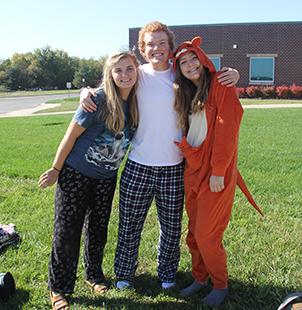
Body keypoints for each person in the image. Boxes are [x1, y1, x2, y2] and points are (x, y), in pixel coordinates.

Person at [80, 21, 240, 291]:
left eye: (161, 43)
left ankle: (167, 273)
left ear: (170, 46)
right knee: (129, 225)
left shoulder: (181, 77)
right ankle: (124, 274)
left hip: (175, 167)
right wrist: (84, 92)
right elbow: (109, 85)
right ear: (143, 49)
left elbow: (208, 81)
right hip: (138, 164)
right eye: (150, 44)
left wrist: (233, 73)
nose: (156, 48)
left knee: (171, 228)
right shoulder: (136, 75)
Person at [38, 51, 139, 310]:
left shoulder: (138, 101)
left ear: (136, 70)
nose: (124, 75)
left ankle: (93, 275)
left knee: (98, 230)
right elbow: (70, 137)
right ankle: (58, 287)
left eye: (129, 69)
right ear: (110, 73)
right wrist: (55, 169)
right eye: (118, 70)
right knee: (67, 232)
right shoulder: (98, 100)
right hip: (75, 175)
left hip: (106, 179)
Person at [172, 36, 263, 306]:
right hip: (193, 169)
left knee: (207, 233)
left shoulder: (221, 86)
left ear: (203, 59)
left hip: (215, 173)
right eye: (183, 63)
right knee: (193, 231)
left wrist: (219, 171)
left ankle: (220, 283)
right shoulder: (185, 92)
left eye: (193, 59)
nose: (190, 65)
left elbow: (227, 131)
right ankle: (199, 278)